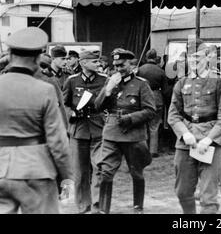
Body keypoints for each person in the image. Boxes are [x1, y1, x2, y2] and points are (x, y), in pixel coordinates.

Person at [0, 27, 72, 214]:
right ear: (37, 59)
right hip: (35, 169)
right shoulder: (44, 90)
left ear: (9, 55)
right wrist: (66, 176)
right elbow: (57, 140)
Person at [168, 39, 221, 214]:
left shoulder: (219, 81)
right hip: (186, 142)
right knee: (183, 192)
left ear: (208, 58)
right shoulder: (181, 83)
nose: (193, 61)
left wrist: (209, 138)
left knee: (208, 196)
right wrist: (184, 133)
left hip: (210, 142)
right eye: (190, 57)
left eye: (197, 57)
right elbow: (173, 114)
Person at [94, 48, 156, 214]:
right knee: (105, 173)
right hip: (112, 134)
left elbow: (150, 111)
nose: (118, 68)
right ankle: (103, 209)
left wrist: (130, 118)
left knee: (136, 172)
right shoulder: (111, 82)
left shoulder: (142, 84)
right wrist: (108, 90)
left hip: (133, 135)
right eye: (115, 65)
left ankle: (138, 207)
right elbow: (97, 106)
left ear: (131, 64)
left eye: (122, 65)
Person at [63, 50, 107, 214]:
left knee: (100, 167)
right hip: (79, 131)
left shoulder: (104, 80)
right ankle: (83, 205)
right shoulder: (71, 81)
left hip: (99, 130)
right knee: (80, 172)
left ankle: (97, 204)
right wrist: (71, 114)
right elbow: (64, 103)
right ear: (83, 63)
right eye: (94, 62)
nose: (98, 64)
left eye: (98, 61)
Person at [137, 49, 168, 158]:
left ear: (146, 57)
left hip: (143, 97)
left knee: (143, 125)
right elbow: (165, 90)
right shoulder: (161, 71)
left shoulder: (140, 69)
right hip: (157, 98)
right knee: (154, 126)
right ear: (155, 58)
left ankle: (142, 150)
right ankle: (153, 150)